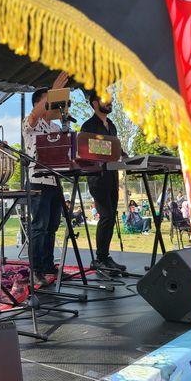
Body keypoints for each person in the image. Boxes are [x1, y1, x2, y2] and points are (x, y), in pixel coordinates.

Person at [22, 71, 69, 286]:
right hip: (37, 180)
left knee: (52, 226)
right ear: (38, 104)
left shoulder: (56, 127)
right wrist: (53, 91)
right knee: (39, 226)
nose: (54, 104)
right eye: (48, 101)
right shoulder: (29, 123)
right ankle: (36, 269)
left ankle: (49, 266)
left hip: (55, 181)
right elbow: (34, 116)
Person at [81, 92, 127, 273]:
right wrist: (110, 150)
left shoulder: (113, 126)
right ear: (94, 103)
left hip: (112, 176)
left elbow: (116, 149)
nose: (110, 103)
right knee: (106, 215)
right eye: (106, 100)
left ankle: (104, 256)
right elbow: (87, 150)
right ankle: (100, 259)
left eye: (111, 100)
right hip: (97, 178)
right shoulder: (88, 125)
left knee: (111, 217)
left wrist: (125, 156)